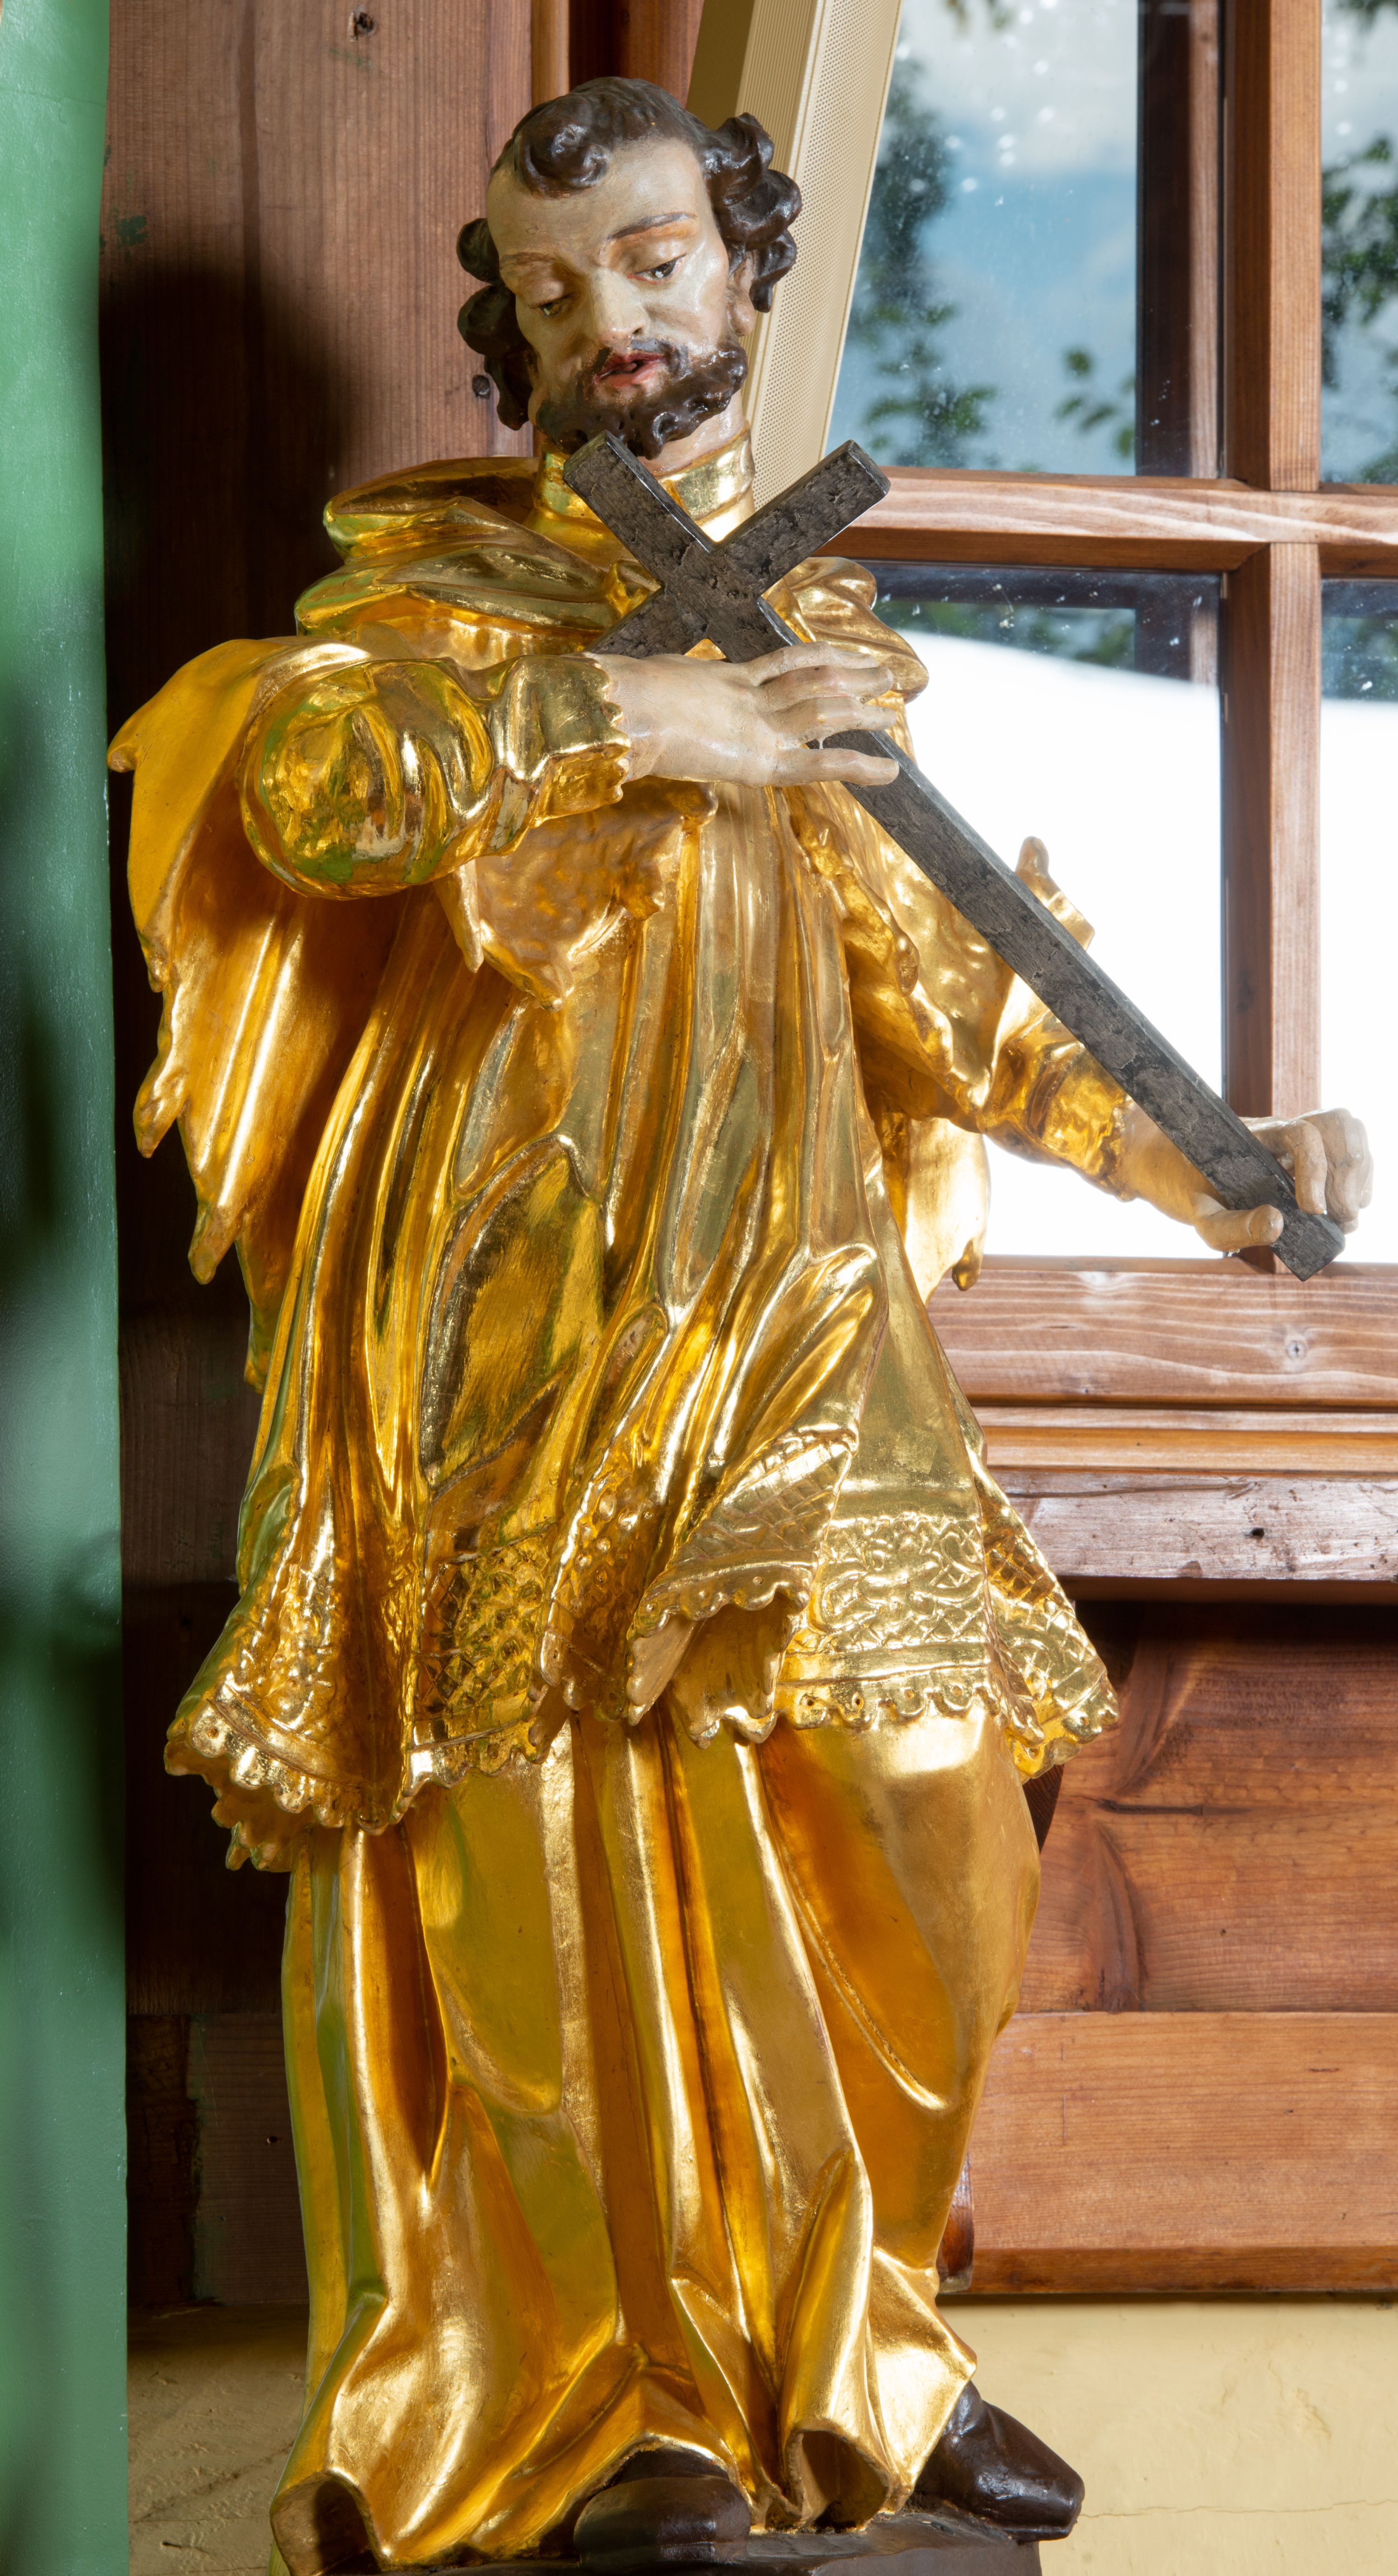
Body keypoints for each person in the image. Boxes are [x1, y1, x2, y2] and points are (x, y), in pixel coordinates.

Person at [112, 76, 1371, 2576]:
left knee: (924, 1819)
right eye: (554, 285)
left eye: (657, 261)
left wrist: (1218, 1165)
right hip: (521, 1339)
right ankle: (613, 2406)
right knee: (548, 1880)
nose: (614, 318)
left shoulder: (817, 640)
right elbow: (316, 799)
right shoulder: (432, 617)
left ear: (745, 269)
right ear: (509, 328)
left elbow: (961, 985)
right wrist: (621, 718)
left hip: (802, 1332)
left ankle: (858, 2352)